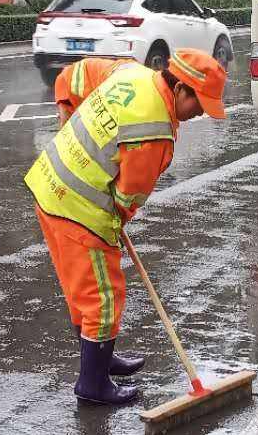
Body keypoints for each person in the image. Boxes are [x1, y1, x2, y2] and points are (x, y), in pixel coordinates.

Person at [26, 50, 228, 406]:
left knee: (82, 291)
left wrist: (68, 113)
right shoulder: (156, 132)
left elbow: (74, 76)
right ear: (180, 88)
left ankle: (100, 361)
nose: (199, 114)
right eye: (198, 104)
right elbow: (129, 195)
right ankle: (93, 385)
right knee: (103, 298)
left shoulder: (129, 72)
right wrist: (115, 223)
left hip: (49, 186)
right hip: (80, 211)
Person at [51, 56, 133, 125]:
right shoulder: (79, 72)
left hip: (115, 79)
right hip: (130, 69)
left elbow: (65, 123)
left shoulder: (63, 80)